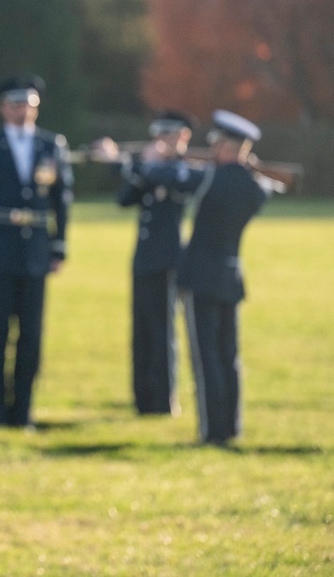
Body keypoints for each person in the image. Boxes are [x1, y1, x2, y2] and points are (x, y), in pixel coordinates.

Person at [138, 110, 269, 446]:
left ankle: (212, 431)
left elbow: (164, 176)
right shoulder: (256, 187)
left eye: (216, 144)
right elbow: (260, 185)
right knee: (229, 356)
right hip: (230, 274)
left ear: (226, 145)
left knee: (206, 356)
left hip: (200, 276)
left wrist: (153, 160)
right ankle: (232, 426)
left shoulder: (211, 179)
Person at [0, 75, 72, 428]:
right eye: (15, 104)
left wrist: (59, 245)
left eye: (28, 104)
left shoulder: (51, 145)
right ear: (3, 108)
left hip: (35, 248)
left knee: (32, 332)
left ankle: (24, 409)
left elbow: (61, 198)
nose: (22, 111)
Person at [109, 111, 196, 416]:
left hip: (169, 259)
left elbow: (171, 182)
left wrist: (141, 163)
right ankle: (142, 398)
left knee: (163, 332)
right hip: (144, 258)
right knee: (142, 330)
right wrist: (132, 166)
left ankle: (163, 399)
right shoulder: (152, 167)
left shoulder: (183, 168)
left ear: (183, 137)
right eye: (159, 136)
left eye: (169, 137)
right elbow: (124, 199)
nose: (162, 143)